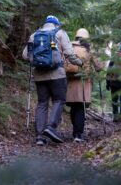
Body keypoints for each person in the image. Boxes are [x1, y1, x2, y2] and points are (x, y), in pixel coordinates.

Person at [23, 15, 83, 145]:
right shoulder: (60, 33)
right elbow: (69, 53)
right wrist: (80, 62)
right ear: (56, 24)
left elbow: (25, 55)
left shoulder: (34, 35)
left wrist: (39, 60)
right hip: (57, 74)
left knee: (42, 103)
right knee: (59, 100)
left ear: (45, 23)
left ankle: (39, 136)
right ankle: (51, 127)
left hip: (39, 75)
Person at [65, 28, 103, 142]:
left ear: (76, 37)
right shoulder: (88, 49)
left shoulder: (69, 46)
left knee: (73, 106)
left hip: (70, 81)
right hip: (84, 82)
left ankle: (74, 132)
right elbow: (99, 67)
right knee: (80, 107)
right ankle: (78, 135)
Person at [106, 42, 121, 122]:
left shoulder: (114, 58)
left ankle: (115, 116)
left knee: (114, 100)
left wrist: (107, 83)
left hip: (114, 83)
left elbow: (109, 71)